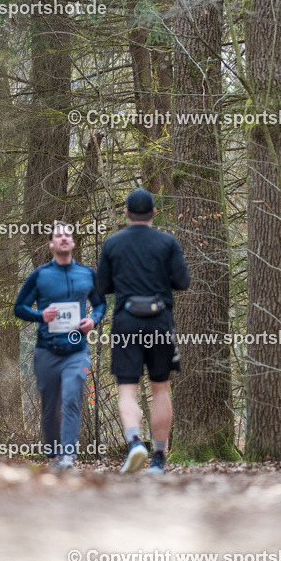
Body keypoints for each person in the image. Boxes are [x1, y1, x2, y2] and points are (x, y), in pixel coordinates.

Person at [96, 188, 190, 475]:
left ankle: (135, 442)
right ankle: (159, 459)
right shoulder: (167, 242)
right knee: (160, 389)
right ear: (153, 213)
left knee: (127, 390)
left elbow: (101, 287)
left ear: (125, 213)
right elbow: (183, 281)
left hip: (126, 321)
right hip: (159, 321)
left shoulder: (113, 244)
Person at [14, 222, 106, 470]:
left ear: (73, 242)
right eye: (58, 236)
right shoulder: (41, 275)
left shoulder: (87, 274)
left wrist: (93, 320)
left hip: (77, 350)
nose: (63, 239)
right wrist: (40, 315)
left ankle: (68, 456)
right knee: (50, 406)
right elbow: (19, 307)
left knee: (72, 399)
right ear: (52, 244)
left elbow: (100, 304)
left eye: (67, 235)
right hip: (46, 351)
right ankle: (53, 456)